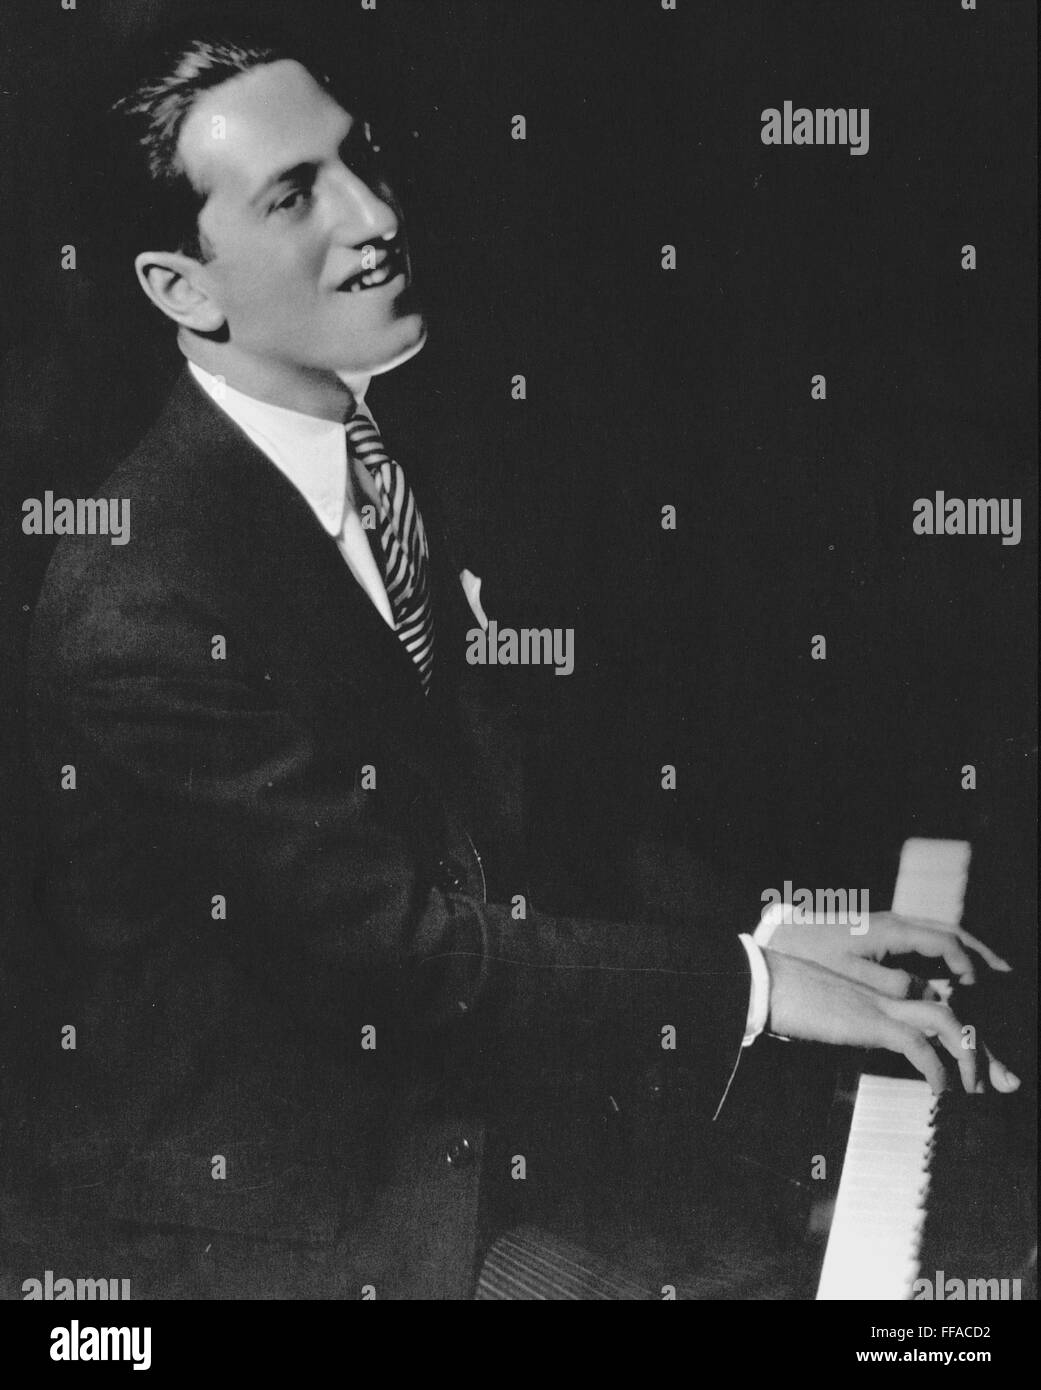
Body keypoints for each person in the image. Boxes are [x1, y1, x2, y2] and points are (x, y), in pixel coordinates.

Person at [21, 28, 1018, 1300]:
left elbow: (515, 823)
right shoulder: (139, 602)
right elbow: (403, 947)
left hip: (481, 1110)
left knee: (945, 1246)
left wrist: (775, 931)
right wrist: (757, 984)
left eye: (361, 159)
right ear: (182, 288)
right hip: (304, 1218)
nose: (376, 217)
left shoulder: (375, 456)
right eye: (295, 196)